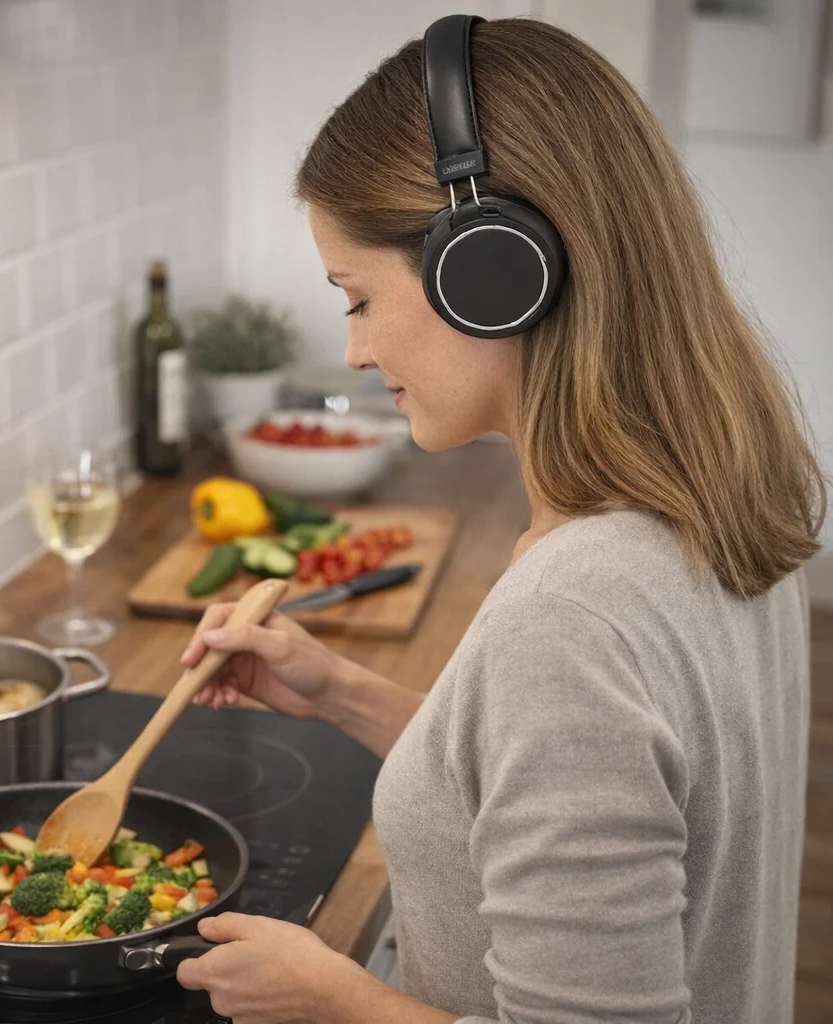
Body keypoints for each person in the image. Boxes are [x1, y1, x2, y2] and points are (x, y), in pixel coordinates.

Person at [174, 15, 826, 1024]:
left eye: (354, 297)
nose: (350, 349)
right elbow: (591, 790)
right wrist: (342, 690)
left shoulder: (572, 613)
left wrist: (335, 999)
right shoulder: (732, 479)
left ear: (487, 271)